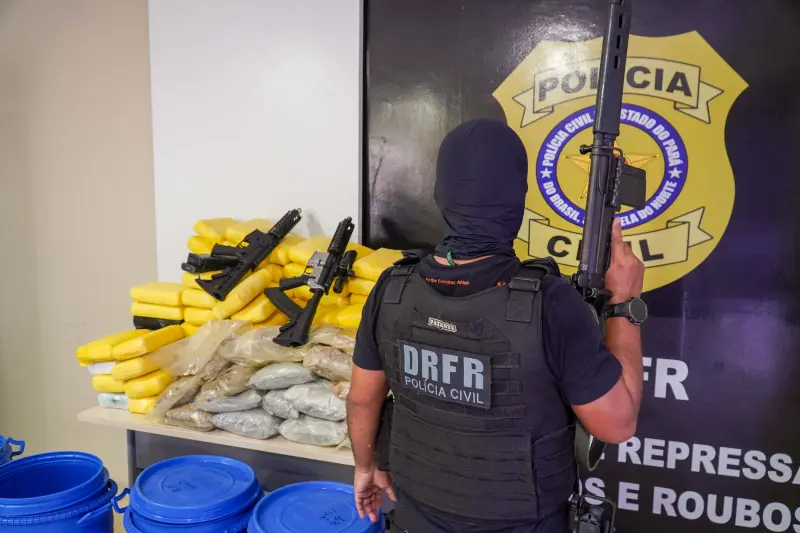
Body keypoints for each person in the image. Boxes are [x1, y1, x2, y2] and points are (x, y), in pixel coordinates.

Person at [347, 118, 645, 533]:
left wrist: (365, 466)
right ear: (517, 199)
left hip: (414, 518)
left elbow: (363, 400)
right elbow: (617, 424)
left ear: (440, 195)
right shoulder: (550, 302)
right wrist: (624, 303)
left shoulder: (392, 288)